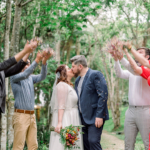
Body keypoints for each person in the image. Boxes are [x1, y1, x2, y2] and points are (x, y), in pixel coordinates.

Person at [10, 50, 52, 150]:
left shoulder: (30, 78)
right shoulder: (14, 76)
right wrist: (36, 60)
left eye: (28, 63)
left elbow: (42, 76)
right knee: (18, 146)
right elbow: (24, 74)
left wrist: (44, 62)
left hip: (31, 116)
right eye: (24, 63)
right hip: (20, 116)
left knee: (33, 146)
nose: (26, 65)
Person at [110, 49, 150, 150]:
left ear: (147, 57)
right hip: (130, 111)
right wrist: (116, 60)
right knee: (128, 143)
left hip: (146, 111)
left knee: (147, 143)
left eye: (140, 52)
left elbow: (135, 69)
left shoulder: (146, 70)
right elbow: (120, 74)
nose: (136, 53)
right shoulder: (132, 71)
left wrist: (123, 57)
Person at [70, 55, 109, 150]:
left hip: (94, 117)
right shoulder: (77, 80)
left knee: (93, 141)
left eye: (73, 67)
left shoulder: (95, 74)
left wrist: (99, 115)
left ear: (80, 66)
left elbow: (103, 95)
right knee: (85, 144)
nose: (72, 69)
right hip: (82, 118)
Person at [49, 65, 84, 150]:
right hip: (66, 118)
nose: (71, 69)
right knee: (63, 144)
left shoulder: (68, 85)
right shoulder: (62, 85)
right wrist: (60, 122)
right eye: (68, 68)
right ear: (63, 73)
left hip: (72, 117)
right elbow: (60, 105)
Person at [0, 40, 38, 114]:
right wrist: (24, 51)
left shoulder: (1, 71)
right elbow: (6, 64)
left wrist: (28, 52)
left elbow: (15, 69)